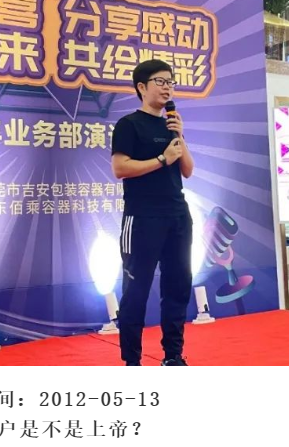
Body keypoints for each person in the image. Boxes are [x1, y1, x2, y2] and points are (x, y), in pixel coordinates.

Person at [111, 59, 194, 366]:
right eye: (160, 81)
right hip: (143, 218)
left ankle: (173, 356)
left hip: (177, 216)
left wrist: (180, 137)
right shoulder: (129, 124)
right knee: (136, 291)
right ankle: (132, 362)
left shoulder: (171, 124)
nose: (167, 87)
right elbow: (120, 168)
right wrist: (161, 158)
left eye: (171, 82)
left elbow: (187, 170)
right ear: (142, 87)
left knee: (177, 287)